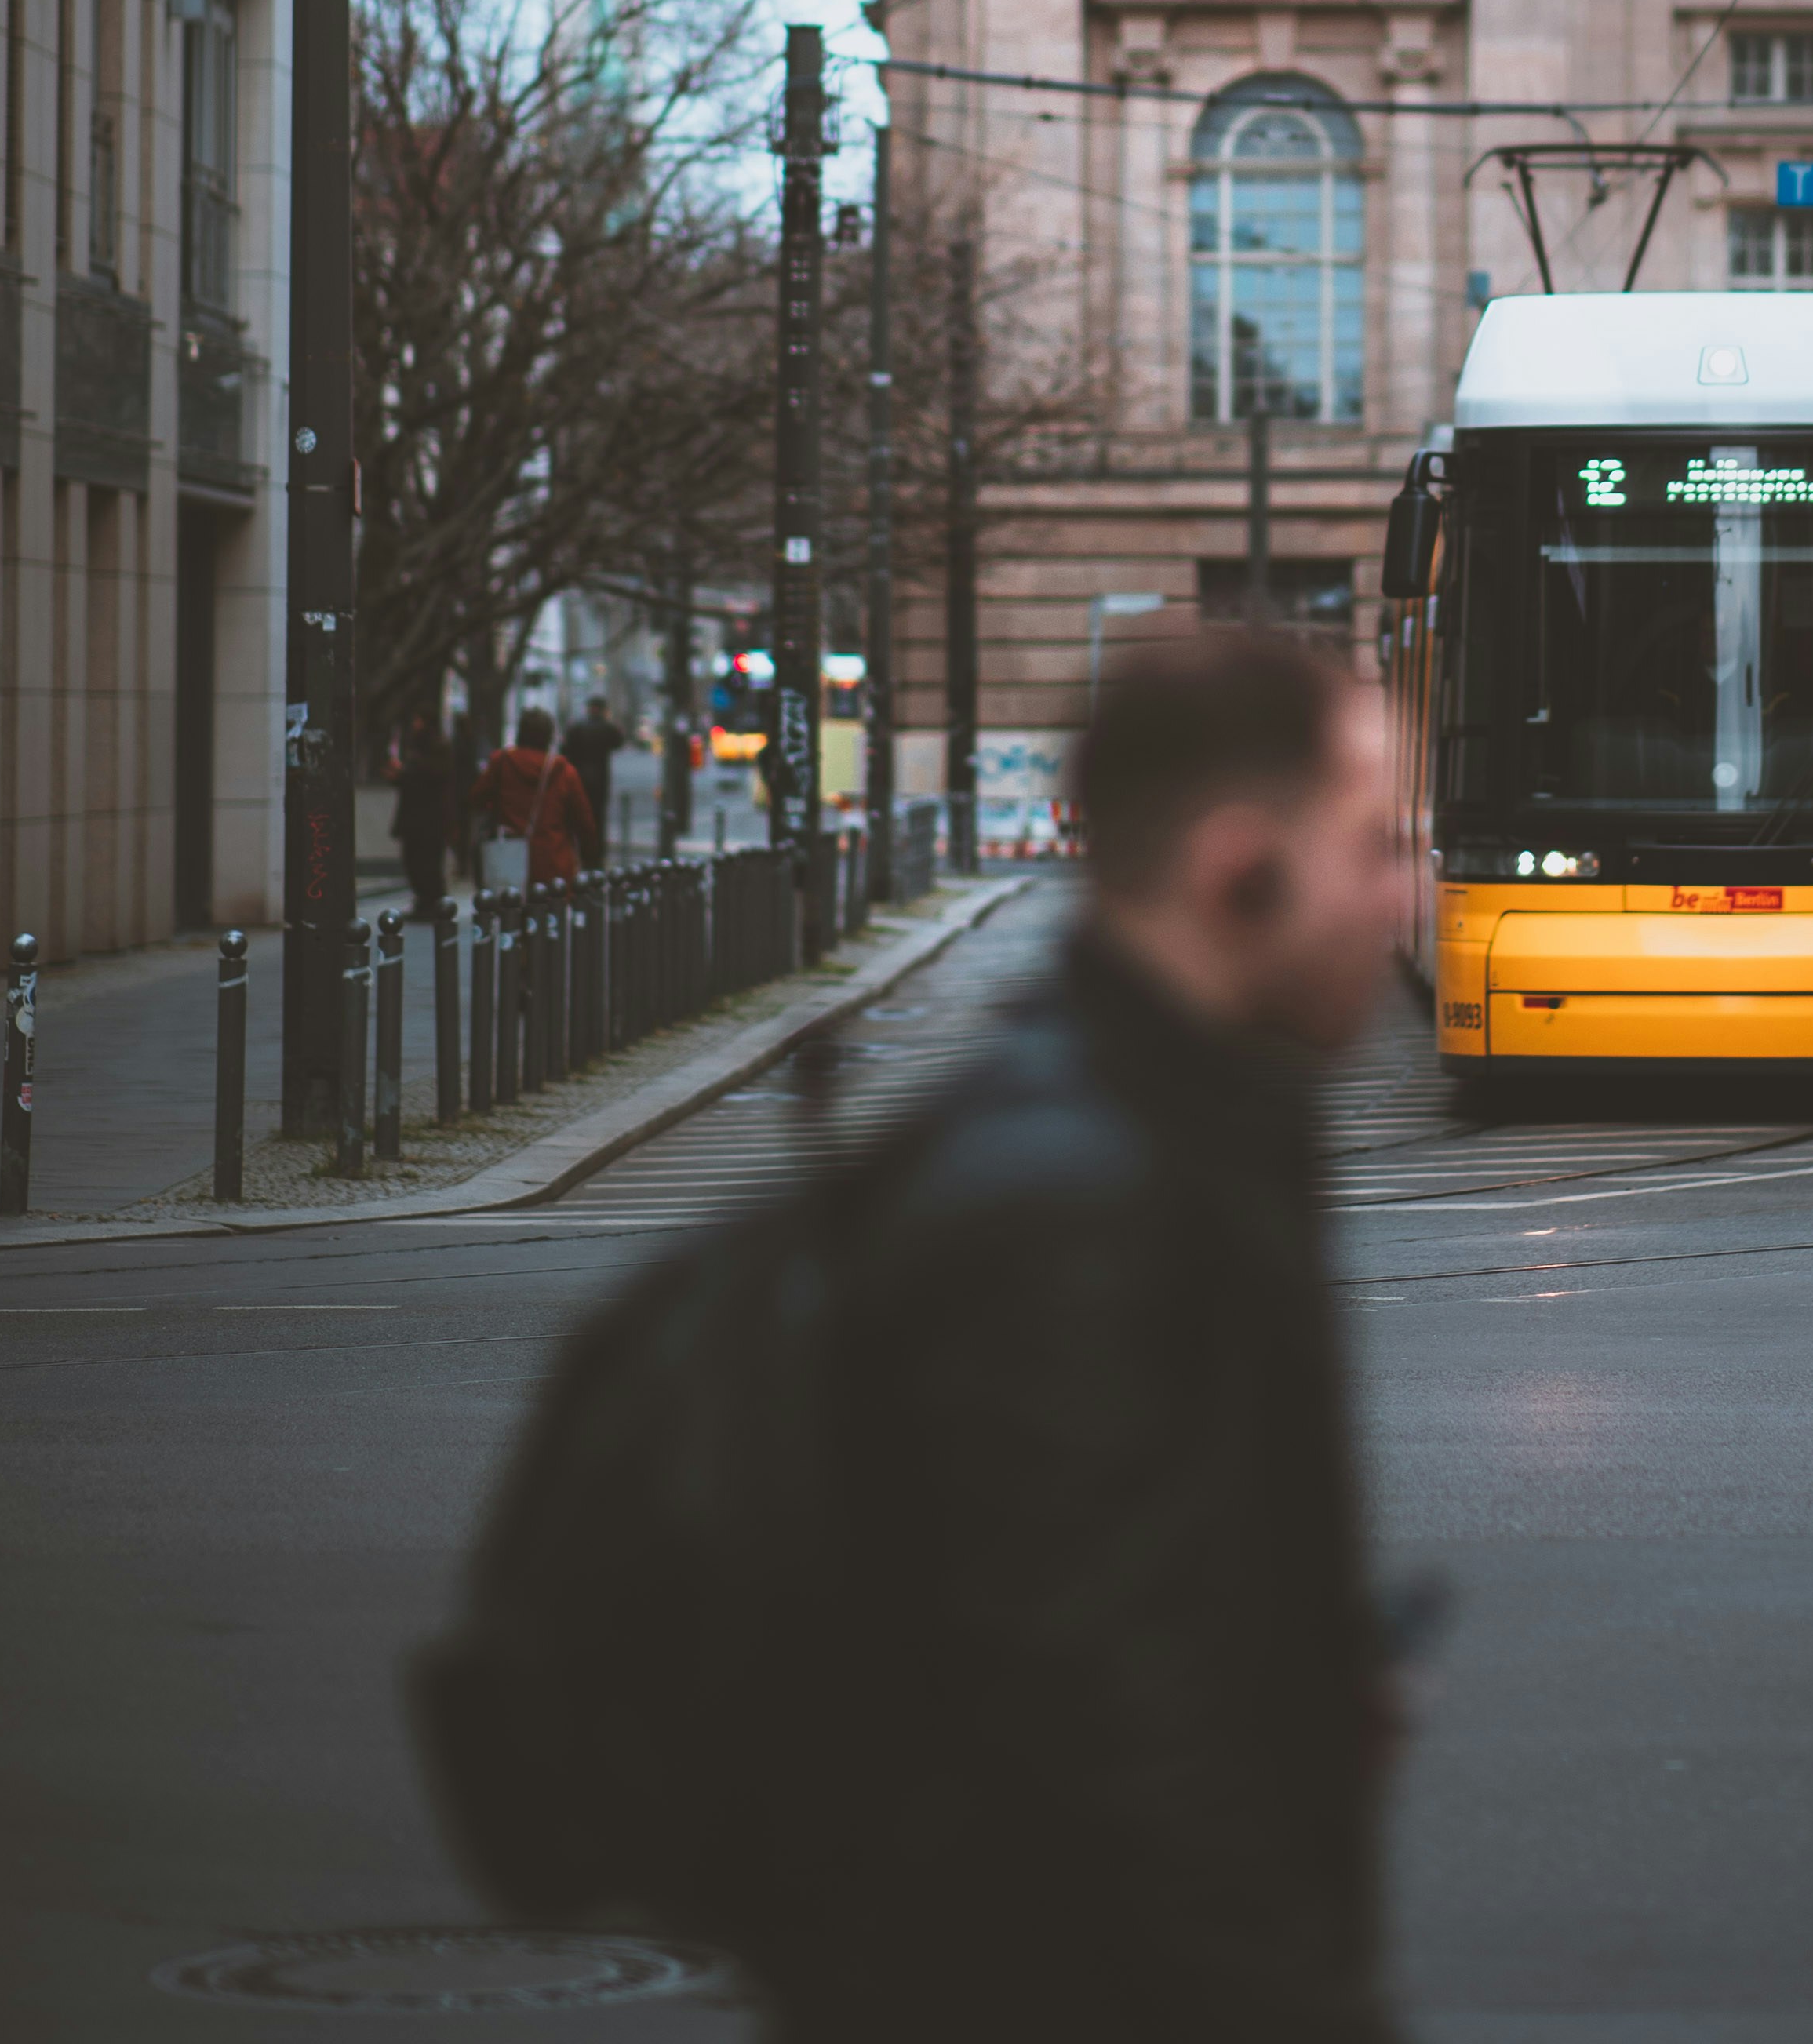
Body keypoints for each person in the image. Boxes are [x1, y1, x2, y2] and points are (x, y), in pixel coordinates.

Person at [756, 621, 1414, 2044]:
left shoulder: (1176, 1120)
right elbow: (1113, 1747)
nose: (1405, 894)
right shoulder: (1078, 1203)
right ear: (1239, 866)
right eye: (1375, 844)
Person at [473, 709, 597, 888]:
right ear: (549, 737)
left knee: (509, 911)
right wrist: (589, 855)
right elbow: (584, 821)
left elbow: (476, 798)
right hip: (553, 863)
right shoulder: (563, 772)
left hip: (508, 860)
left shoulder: (502, 763)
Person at [391, 709, 453, 922]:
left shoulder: (436, 748)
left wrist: (406, 772)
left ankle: (432, 901)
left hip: (429, 818)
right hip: (416, 817)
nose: (415, 724)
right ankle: (424, 900)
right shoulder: (416, 748)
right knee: (414, 860)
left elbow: (434, 777)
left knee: (427, 862)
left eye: (419, 720)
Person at [559, 704, 624, 868]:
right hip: (599, 778)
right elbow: (619, 741)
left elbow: (565, 750)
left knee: (578, 815)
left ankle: (581, 850)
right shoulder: (606, 728)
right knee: (598, 817)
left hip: (580, 777)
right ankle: (595, 853)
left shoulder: (577, 728)